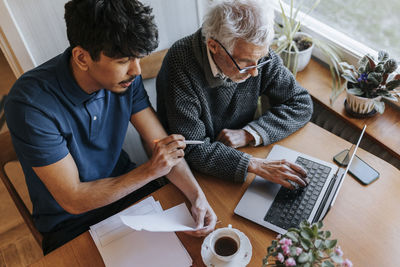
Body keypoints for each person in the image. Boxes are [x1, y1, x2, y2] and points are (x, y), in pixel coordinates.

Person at [5, 0, 216, 254]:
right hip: (71, 223)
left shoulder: (125, 81)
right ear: (82, 58)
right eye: (124, 60)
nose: (136, 70)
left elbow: (161, 144)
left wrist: (197, 196)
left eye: (138, 57)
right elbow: (73, 199)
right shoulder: (30, 104)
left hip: (129, 192)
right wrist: (150, 170)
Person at [157, 0, 312, 189]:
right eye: (245, 63)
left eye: (260, 60)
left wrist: (249, 134)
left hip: (240, 153)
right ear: (214, 46)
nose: (255, 72)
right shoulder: (179, 63)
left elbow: (301, 102)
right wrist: (252, 163)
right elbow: (192, 148)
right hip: (189, 173)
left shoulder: (255, 53)